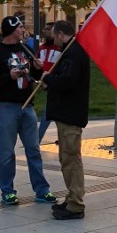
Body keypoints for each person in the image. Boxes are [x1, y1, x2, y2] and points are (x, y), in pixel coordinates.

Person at [0, 15, 56, 206]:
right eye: (20, 27)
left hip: (27, 106)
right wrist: (8, 77)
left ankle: (42, 190)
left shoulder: (26, 49)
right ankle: (7, 191)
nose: (23, 30)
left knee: (34, 150)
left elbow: (32, 77)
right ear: (11, 30)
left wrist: (37, 69)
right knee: (6, 153)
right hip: (6, 108)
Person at [43, 21, 91, 220]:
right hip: (66, 113)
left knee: (71, 158)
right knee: (66, 158)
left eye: (55, 35)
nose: (53, 40)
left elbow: (68, 81)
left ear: (62, 34)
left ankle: (76, 205)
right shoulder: (70, 52)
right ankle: (72, 198)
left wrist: (49, 80)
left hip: (70, 114)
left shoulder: (74, 53)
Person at [37, 22, 61, 142]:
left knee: (48, 113)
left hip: (55, 84)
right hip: (45, 82)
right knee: (54, 113)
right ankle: (63, 137)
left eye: (49, 29)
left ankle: (37, 140)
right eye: (45, 29)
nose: (46, 32)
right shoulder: (41, 48)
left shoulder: (60, 49)